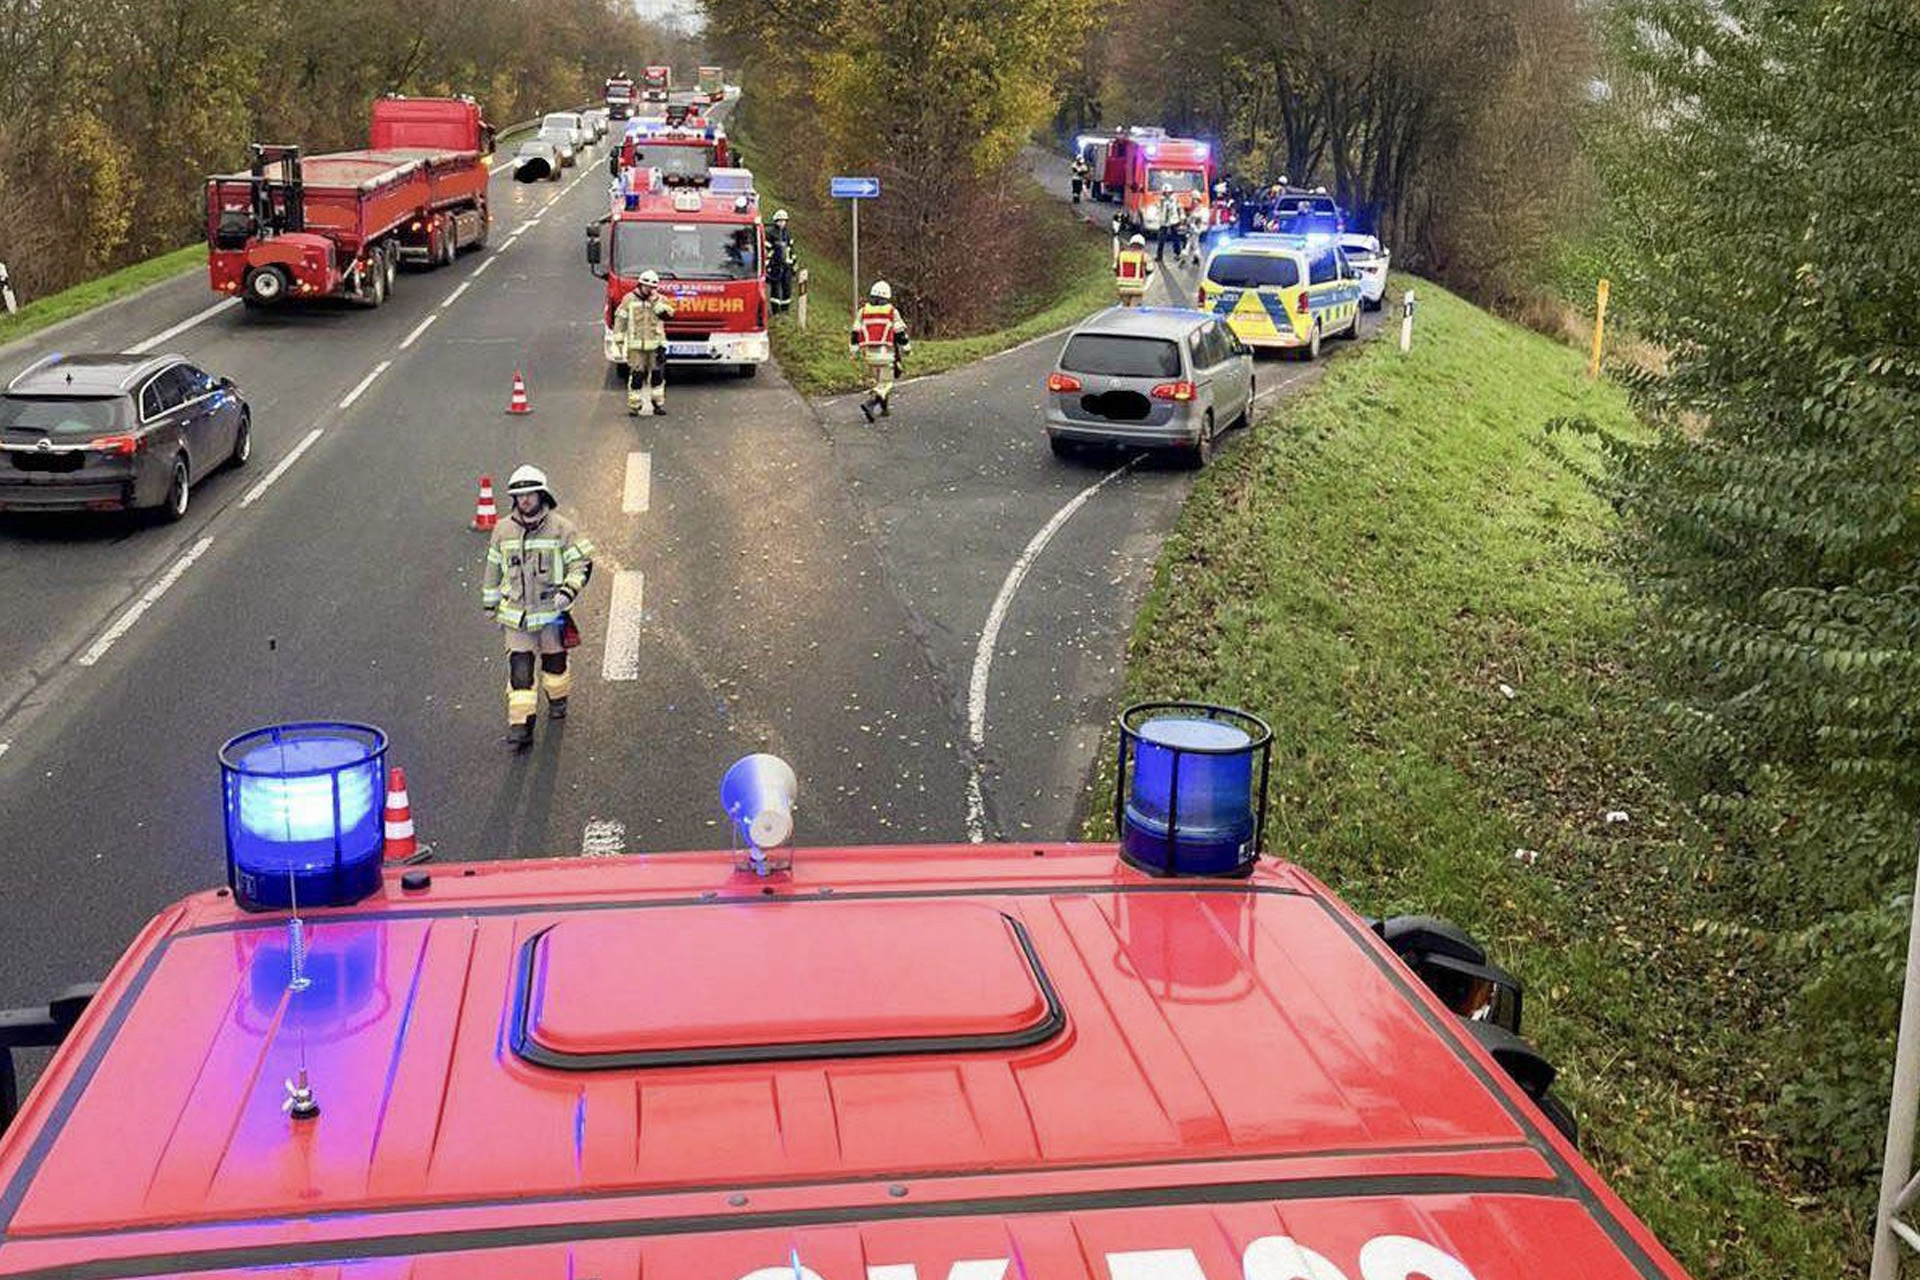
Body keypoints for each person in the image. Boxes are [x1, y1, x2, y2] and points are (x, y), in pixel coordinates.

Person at [482, 466, 595, 751]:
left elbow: (582, 564)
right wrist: (490, 603)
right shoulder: (503, 529)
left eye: (530, 494)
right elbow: (493, 568)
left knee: (554, 667)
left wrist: (568, 590)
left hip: (551, 616)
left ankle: (558, 699)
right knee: (520, 671)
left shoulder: (562, 528)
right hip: (516, 618)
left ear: (542, 494)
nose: (525, 500)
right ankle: (521, 726)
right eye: (519, 496)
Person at [612, 270, 674, 416]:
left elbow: (668, 316)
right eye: (648, 287)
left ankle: (658, 404)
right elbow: (621, 319)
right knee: (637, 375)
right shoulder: (629, 300)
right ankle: (635, 405)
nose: (651, 290)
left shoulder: (661, 300)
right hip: (636, 346)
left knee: (658, 375)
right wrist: (619, 339)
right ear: (640, 285)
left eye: (654, 288)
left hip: (656, 345)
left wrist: (655, 302)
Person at [849, 280, 910, 423]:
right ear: (887, 296)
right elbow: (900, 333)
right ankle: (870, 404)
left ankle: (884, 408)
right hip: (886, 353)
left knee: (880, 381)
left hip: (869, 354)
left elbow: (855, 333)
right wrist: (906, 347)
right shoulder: (891, 312)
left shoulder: (863, 312)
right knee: (886, 383)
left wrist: (854, 349)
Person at [766, 209, 798, 314]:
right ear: (775, 221)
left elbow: (791, 250)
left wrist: (794, 264)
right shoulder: (770, 234)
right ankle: (775, 311)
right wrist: (767, 266)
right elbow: (766, 251)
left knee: (787, 288)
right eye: (780, 221)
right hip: (775, 265)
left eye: (784, 221)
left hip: (787, 266)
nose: (782, 223)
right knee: (775, 288)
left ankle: (785, 310)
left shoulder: (787, 234)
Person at [1115, 233, 1152, 306]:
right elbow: (1149, 269)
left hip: (1123, 288)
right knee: (1133, 310)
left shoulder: (1121, 255)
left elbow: (1115, 268)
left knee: (1125, 308)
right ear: (1142, 246)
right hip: (1137, 289)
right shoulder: (1144, 256)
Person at [1154, 186, 1180, 263]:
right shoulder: (1161, 200)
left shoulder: (1174, 199)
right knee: (1161, 239)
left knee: (1175, 238)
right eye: (1165, 193)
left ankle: (1177, 254)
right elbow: (1159, 209)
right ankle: (1159, 256)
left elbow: (1178, 209)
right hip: (1163, 222)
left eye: (1168, 192)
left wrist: (1181, 218)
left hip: (1173, 221)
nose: (1167, 194)